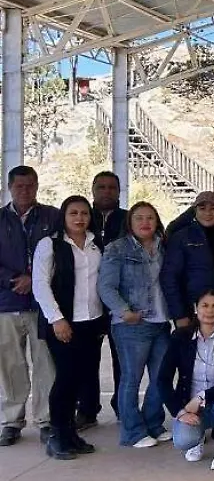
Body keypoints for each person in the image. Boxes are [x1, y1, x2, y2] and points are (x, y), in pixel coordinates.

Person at [32, 195, 103, 459]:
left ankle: (72, 434)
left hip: (91, 322)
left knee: (82, 379)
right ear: (64, 216)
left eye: (84, 213)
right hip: (63, 323)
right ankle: (57, 435)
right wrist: (57, 319)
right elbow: (40, 284)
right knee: (65, 380)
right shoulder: (49, 245)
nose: (79, 218)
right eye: (73, 213)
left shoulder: (97, 245)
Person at [98, 201, 172, 448]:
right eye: (139, 218)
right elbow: (106, 287)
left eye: (150, 217)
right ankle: (132, 432)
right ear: (129, 222)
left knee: (161, 377)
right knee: (131, 378)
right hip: (132, 325)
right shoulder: (117, 249)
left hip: (161, 322)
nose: (145, 222)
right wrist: (124, 311)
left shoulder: (164, 246)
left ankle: (153, 423)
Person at [0, 166, 59, 447]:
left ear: (37, 186)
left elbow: (61, 255)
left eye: (30, 185)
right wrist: (13, 279)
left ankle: (46, 419)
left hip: (42, 306)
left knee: (45, 363)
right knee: (11, 365)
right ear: (10, 187)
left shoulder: (52, 216)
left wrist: (33, 279)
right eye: (20, 186)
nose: (25, 190)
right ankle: (12, 421)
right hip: (6, 304)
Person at [156, 290, 214, 470]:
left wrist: (201, 397)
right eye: (205, 305)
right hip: (190, 408)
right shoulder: (180, 337)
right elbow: (163, 379)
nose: (210, 311)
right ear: (196, 309)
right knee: (183, 441)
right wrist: (180, 412)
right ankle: (198, 438)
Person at [84, 171, 126, 427]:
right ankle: (87, 410)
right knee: (87, 359)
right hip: (87, 301)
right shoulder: (81, 217)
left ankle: (123, 408)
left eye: (112, 187)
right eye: (101, 187)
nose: (107, 191)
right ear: (93, 190)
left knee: (123, 360)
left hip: (121, 301)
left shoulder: (129, 218)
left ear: (119, 192)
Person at [162, 192, 214, 333]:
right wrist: (180, 314)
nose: (208, 213)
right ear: (194, 211)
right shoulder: (181, 237)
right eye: (202, 208)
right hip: (192, 311)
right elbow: (169, 277)